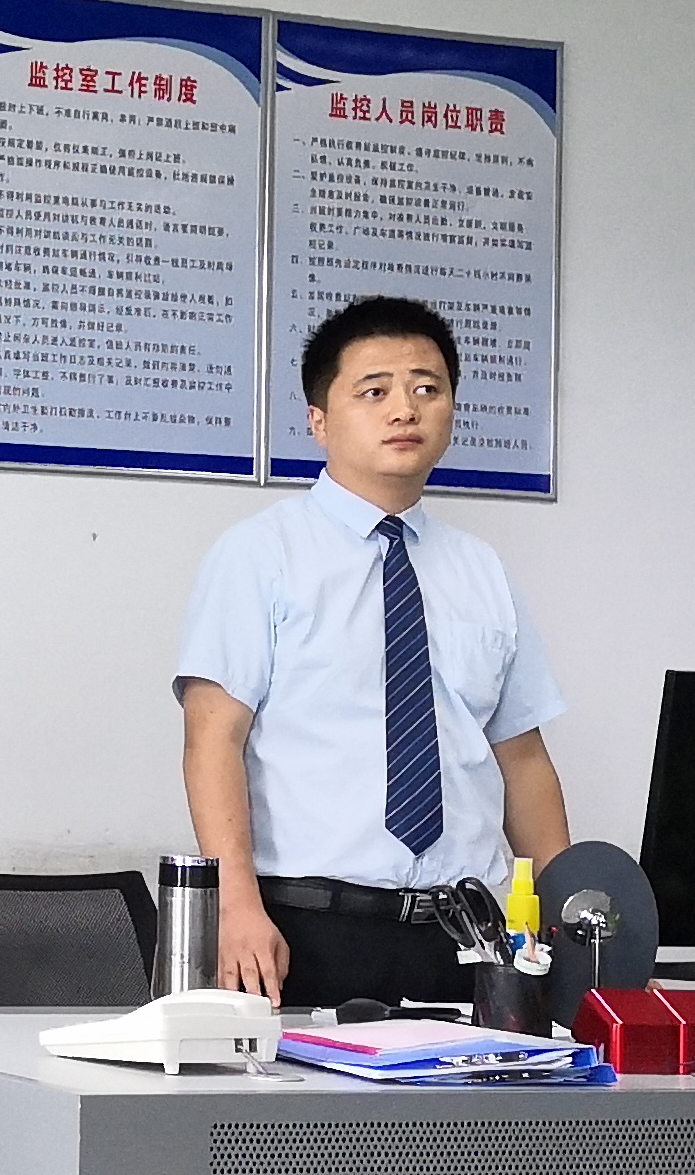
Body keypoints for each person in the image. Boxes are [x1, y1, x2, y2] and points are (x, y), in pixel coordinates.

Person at [176, 293, 571, 1012]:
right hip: (305, 928)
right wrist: (234, 907)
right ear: (319, 420)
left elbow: (523, 761)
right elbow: (212, 740)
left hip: (469, 936)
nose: (405, 410)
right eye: (375, 391)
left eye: (428, 389)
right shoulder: (261, 555)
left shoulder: (482, 570)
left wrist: (570, 929)